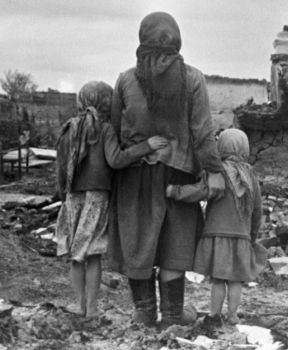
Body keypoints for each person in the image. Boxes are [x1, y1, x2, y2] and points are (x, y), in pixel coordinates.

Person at [108, 12, 225, 328]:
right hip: (178, 178)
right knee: (175, 247)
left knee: (138, 245)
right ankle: (172, 316)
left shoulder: (125, 80)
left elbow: (115, 132)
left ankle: (144, 312)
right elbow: (202, 133)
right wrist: (213, 171)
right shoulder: (193, 79)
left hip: (133, 178)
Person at [55, 81, 168, 318]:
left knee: (76, 255)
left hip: (72, 197)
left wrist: (63, 193)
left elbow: (61, 167)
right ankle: (93, 309)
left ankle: (80, 304)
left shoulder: (68, 129)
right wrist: (145, 146)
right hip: (97, 196)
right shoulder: (104, 129)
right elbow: (116, 160)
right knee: (93, 253)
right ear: (108, 102)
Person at [166, 128, 266, 327]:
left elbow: (201, 191)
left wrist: (175, 191)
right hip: (241, 237)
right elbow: (257, 210)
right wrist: (251, 236)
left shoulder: (217, 173)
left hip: (217, 235)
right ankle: (233, 316)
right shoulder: (251, 176)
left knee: (219, 280)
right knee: (236, 280)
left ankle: (214, 315)